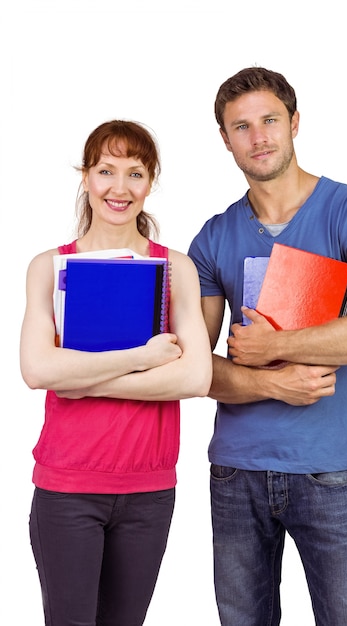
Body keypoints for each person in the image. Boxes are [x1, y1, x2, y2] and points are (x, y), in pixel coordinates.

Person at [188, 67, 347, 626]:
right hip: (235, 474)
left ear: (294, 123)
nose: (257, 136)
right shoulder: (214, 236)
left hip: (326, 471)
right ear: (225, 138)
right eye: (241, 127)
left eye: (269, 120)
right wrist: (268, 380)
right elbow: (192, 365)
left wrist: (276, 344)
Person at [20, 119, 212, 626]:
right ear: (86, 177)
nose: (119, 188)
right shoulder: (48, 266)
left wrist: (79, 379)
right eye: (106, 171)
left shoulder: (178, 269)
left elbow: (195, 378)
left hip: (148, 491)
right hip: (67, 489)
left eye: (135, 173)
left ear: (151, 182)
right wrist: (141, 357)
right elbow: (38, 369)